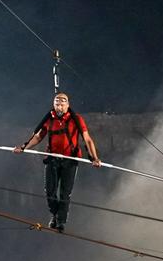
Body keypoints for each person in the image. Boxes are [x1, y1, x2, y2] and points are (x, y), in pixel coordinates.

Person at [13, 91, 101, 231]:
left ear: (68, 104)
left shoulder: (76, 119)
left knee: (65, 193)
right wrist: (23, 147)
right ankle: (55, 215)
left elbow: (87, 139)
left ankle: (61, 221)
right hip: (52, 158)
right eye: (56, 102)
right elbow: (38, 136)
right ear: (53, 104)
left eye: (62, 102)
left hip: (69, 160)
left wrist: (94, 158)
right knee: (50, 191)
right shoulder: (49, 119)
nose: (59, 105)